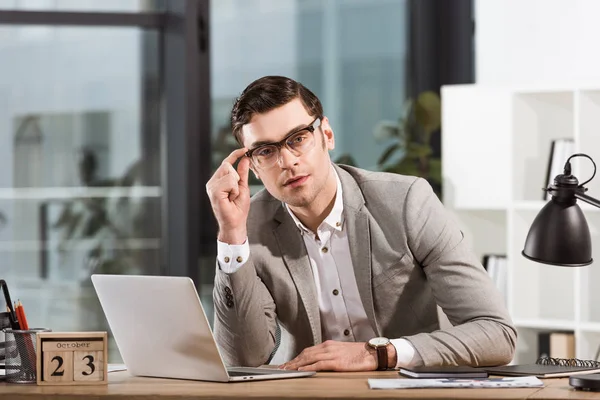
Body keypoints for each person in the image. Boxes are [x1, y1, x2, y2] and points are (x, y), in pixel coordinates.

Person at [206, 76, 516, 372]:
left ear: (326, 135)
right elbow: (242, 359)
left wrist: (381, 353)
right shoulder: (250, 225)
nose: (287, 161)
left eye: (298, 139)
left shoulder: (406, 202)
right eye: (266, 151)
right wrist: (232, 236)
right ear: (254, 167)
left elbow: (496, 333)